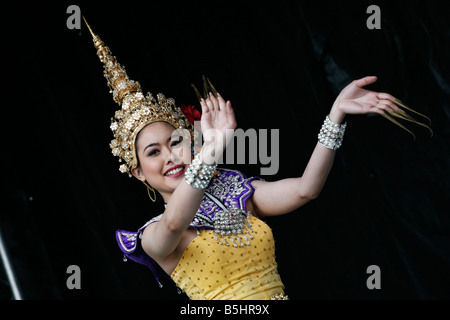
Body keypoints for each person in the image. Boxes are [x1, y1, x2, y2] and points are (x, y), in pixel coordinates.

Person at [84, 18, 429, 300]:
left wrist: (336, 113)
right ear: (138, 173)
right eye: (153, 152)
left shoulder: (233, 191)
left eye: (175, 142)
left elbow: (306, 190)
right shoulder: (152, 235)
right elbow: (175, 224)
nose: (170, 156)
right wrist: (211, 153)